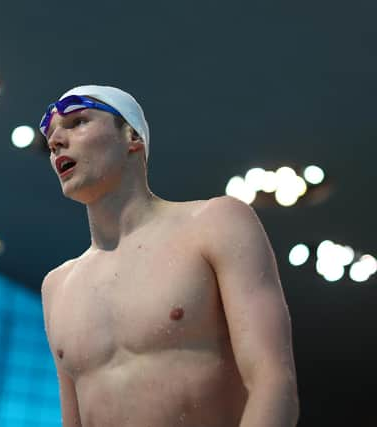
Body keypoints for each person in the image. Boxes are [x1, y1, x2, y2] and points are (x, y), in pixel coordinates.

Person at [39, 85, 299, 427]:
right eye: (51, 134)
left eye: (77, 122)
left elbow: (272, 382)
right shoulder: (57, 286)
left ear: (132, 135)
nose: (56, 139)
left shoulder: (215, 224)